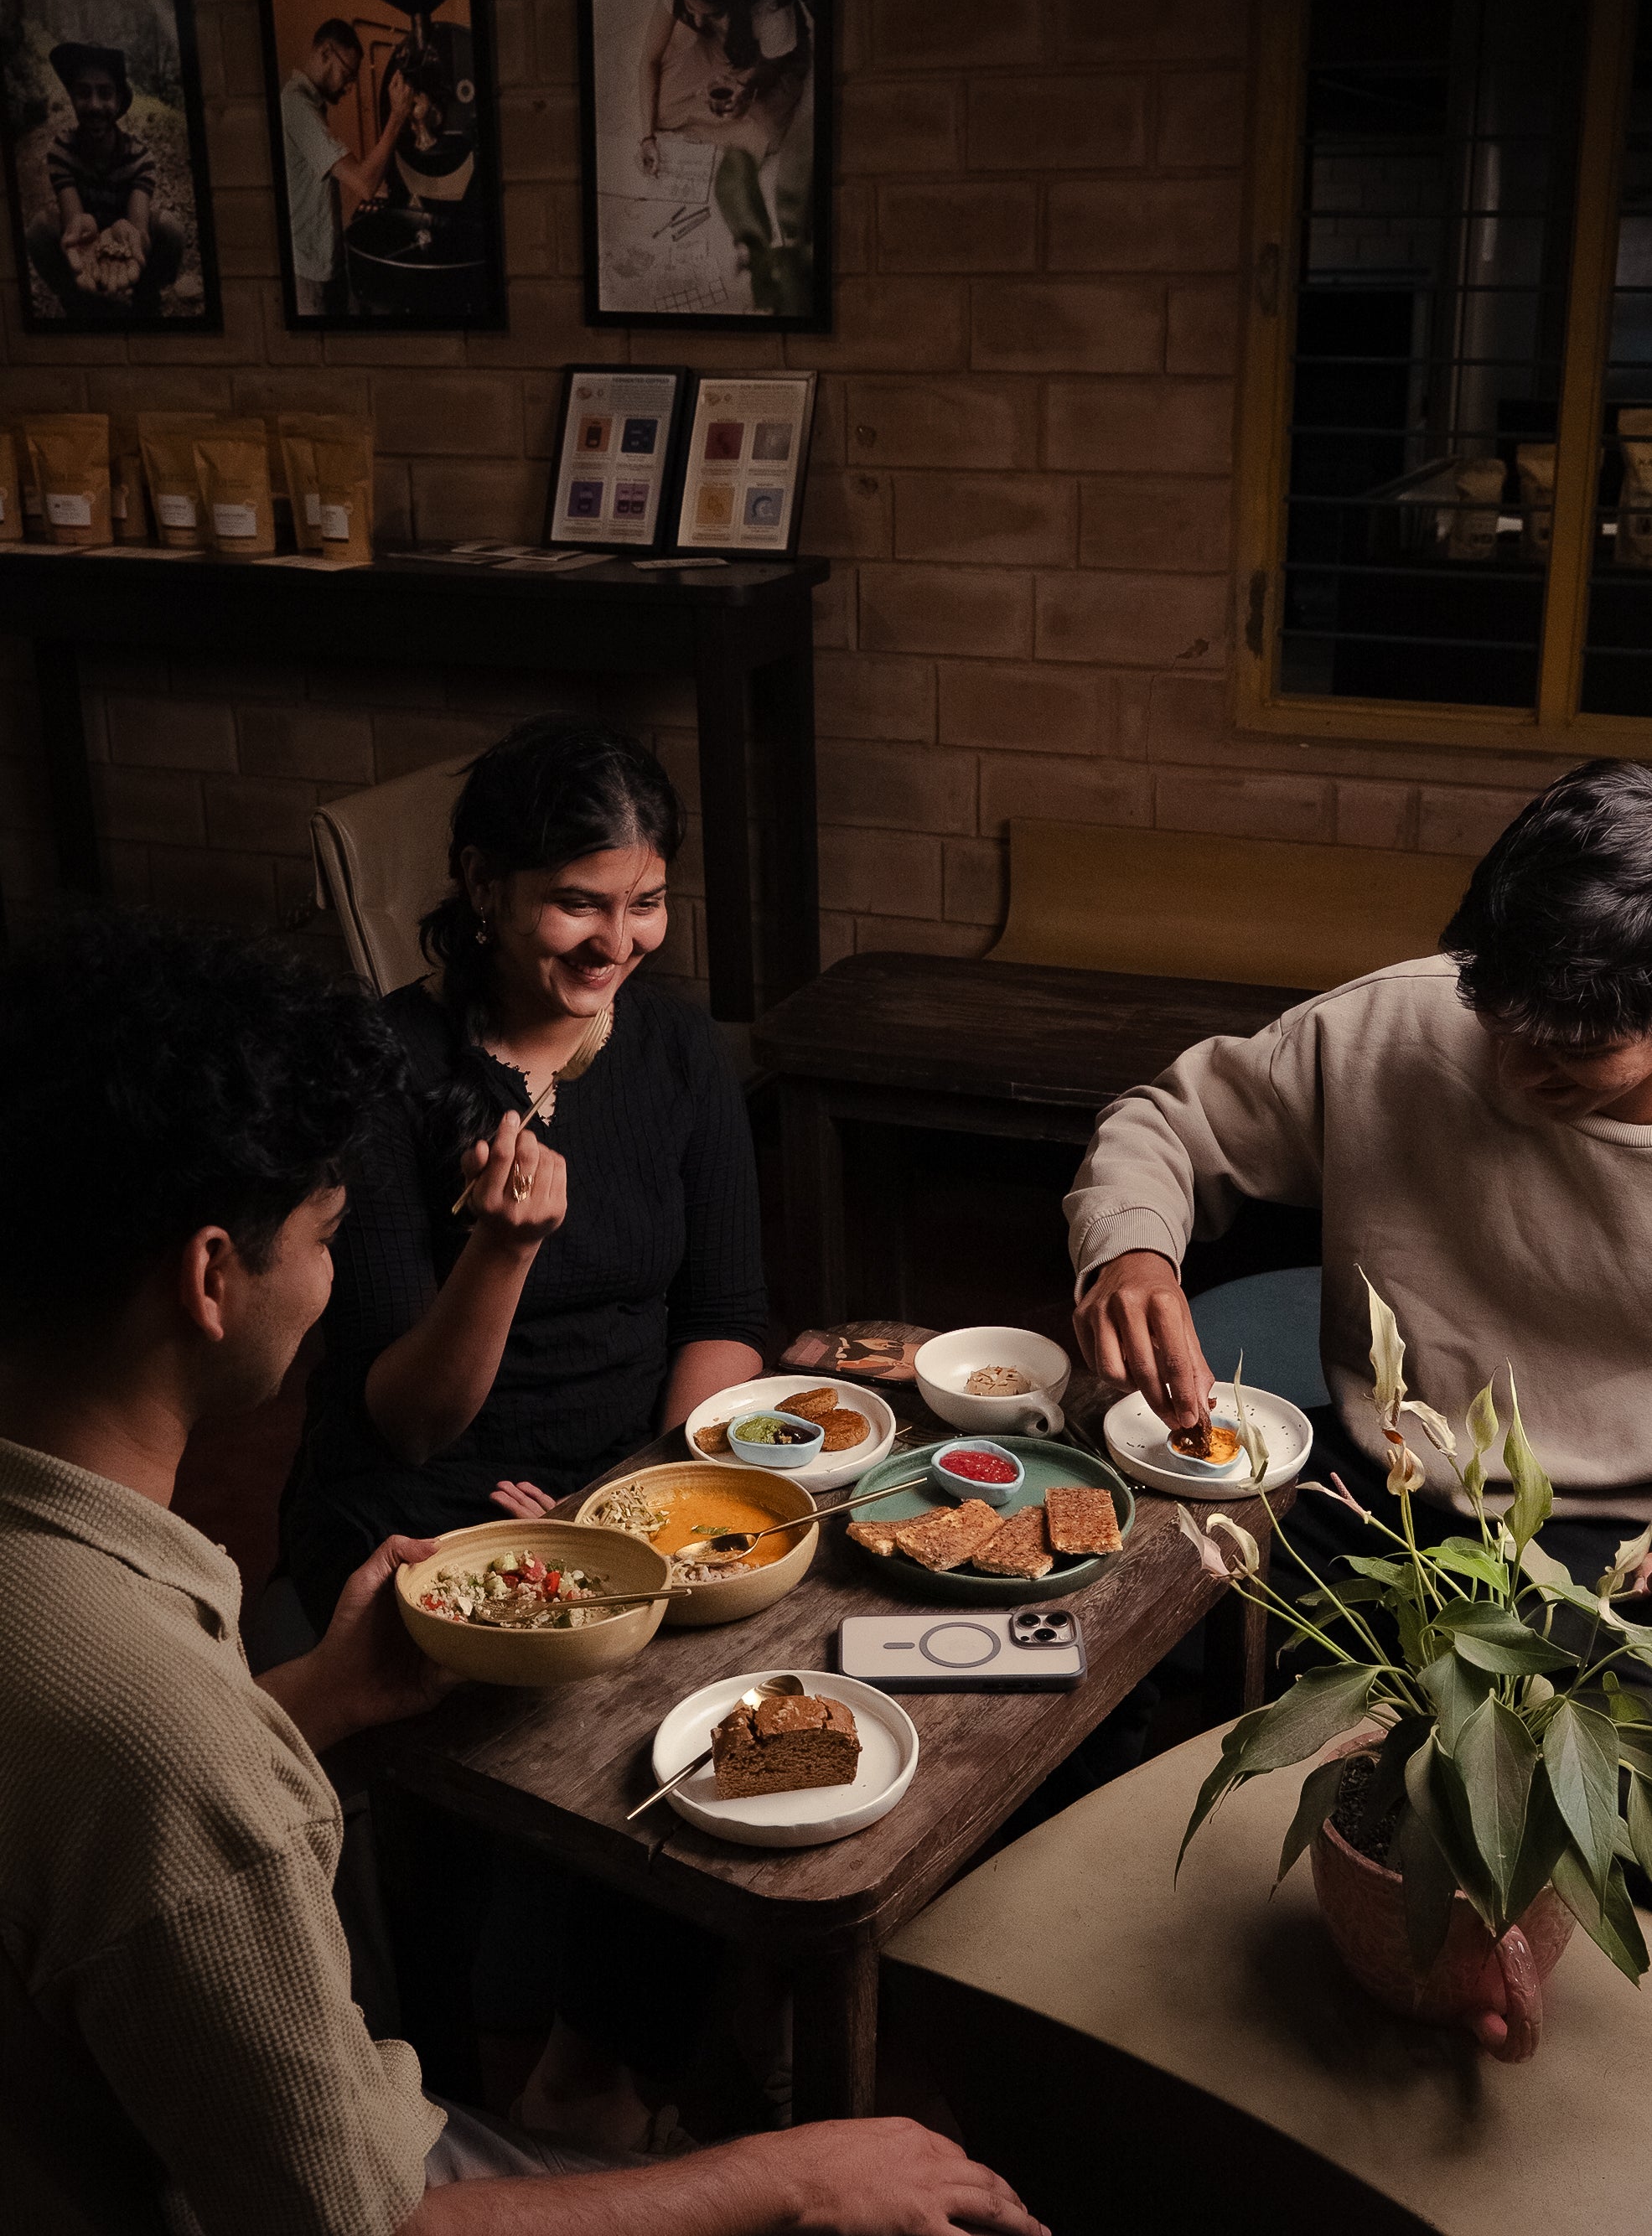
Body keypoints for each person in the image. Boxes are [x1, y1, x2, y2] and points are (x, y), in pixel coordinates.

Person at [0, 908, 1044, 2236]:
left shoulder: (100, 1619)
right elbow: (364, 2222)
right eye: (328, 1234)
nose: (331, 1272)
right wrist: (795, 2178)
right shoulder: (169, 1740)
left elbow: (100, 1852)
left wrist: (312, 1695)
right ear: (213, 1275)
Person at [1065, 758, 1652, 1587]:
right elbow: (1161, 1124)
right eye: (1500, 1026)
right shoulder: (1395, 1023)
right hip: (1365, 1483)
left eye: (1575, 1054)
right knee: (1102, 1598)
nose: (1520, 1078)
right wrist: (1131, 1253)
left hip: (1609, 1538)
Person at [285, 718, 766, 1629]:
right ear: (482, 883)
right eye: (578, 903)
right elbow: (407, 1424)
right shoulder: (377, 1067)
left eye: (646, 903)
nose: (616, 944)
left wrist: (641, 1507)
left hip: (631, 1484)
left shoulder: (678, 1048)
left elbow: (724, 1316)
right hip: (428, 1509)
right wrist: (502, 1251)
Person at [634, 0, 810, 170]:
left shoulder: (771, 10)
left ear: (740, 2)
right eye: (691, 9)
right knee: (661, 109)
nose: (696, 21)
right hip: (713, 45)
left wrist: (746, 90)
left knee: (764, 135)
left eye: (714, 13)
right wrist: (647, 138)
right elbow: (649, 60)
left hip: (758, 57)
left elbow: (771, 67)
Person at [24, 42, 185, 313]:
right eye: (84, 93)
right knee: (39, 229)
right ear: (73, 98)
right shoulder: (61, 151)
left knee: (171, 228)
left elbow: (140, 230)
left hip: (126, 245)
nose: (95, 105)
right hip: (84, 244)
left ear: (119, 101)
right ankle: (78, 298)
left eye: (106, 93)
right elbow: (74, 221)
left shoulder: (141, 158)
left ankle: (145, 293)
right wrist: (82, 235)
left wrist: (130, 237)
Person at [280, 18, 412, 314]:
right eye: (348, 75)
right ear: (326, 53)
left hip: (327, 264)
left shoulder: (310, 106)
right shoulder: (296, 108)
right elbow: (365, 184)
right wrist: (397, 116)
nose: (350, 87)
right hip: (310, 275)